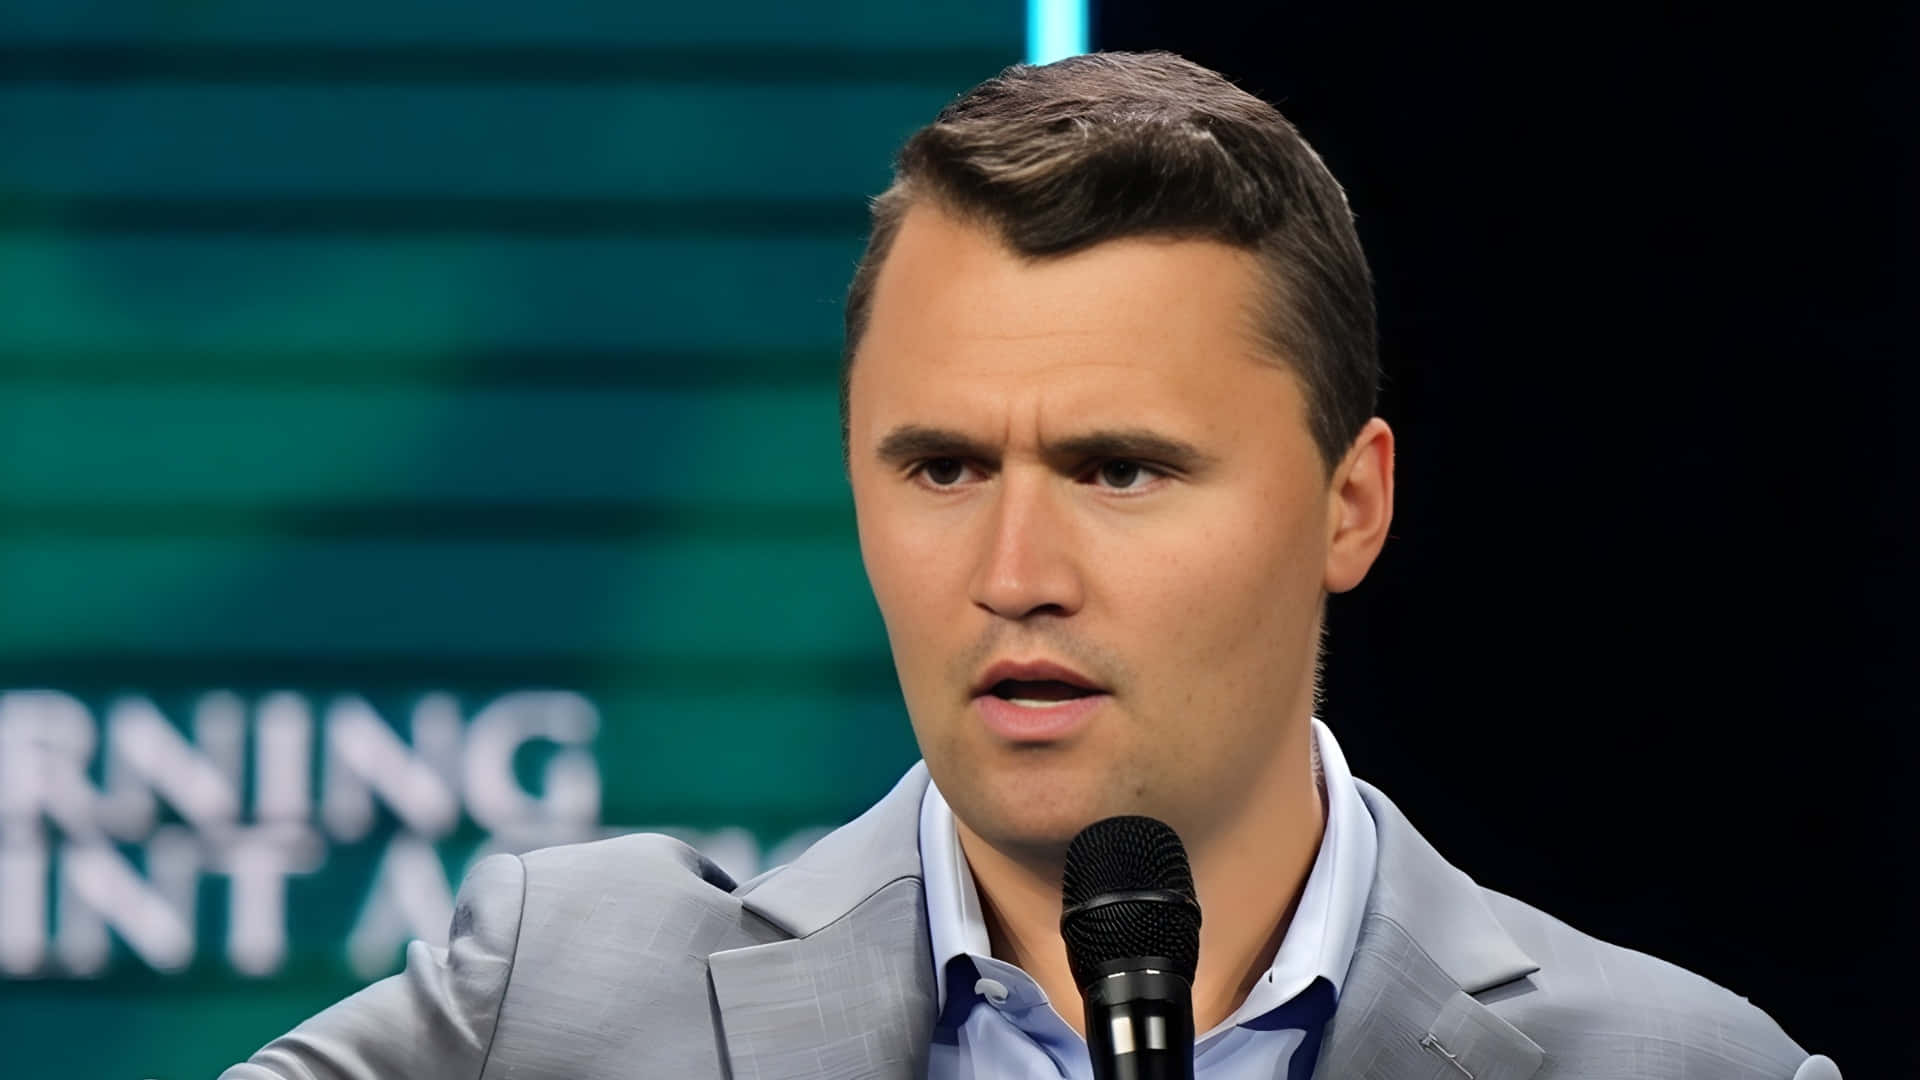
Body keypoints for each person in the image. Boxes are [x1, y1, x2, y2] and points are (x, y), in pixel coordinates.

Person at [221, 51, 1839, 1080]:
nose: (1015, 572)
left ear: (1352, 506)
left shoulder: (1684, 1069)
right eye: (942, 468)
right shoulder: (561, 1002)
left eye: (1119, 470)